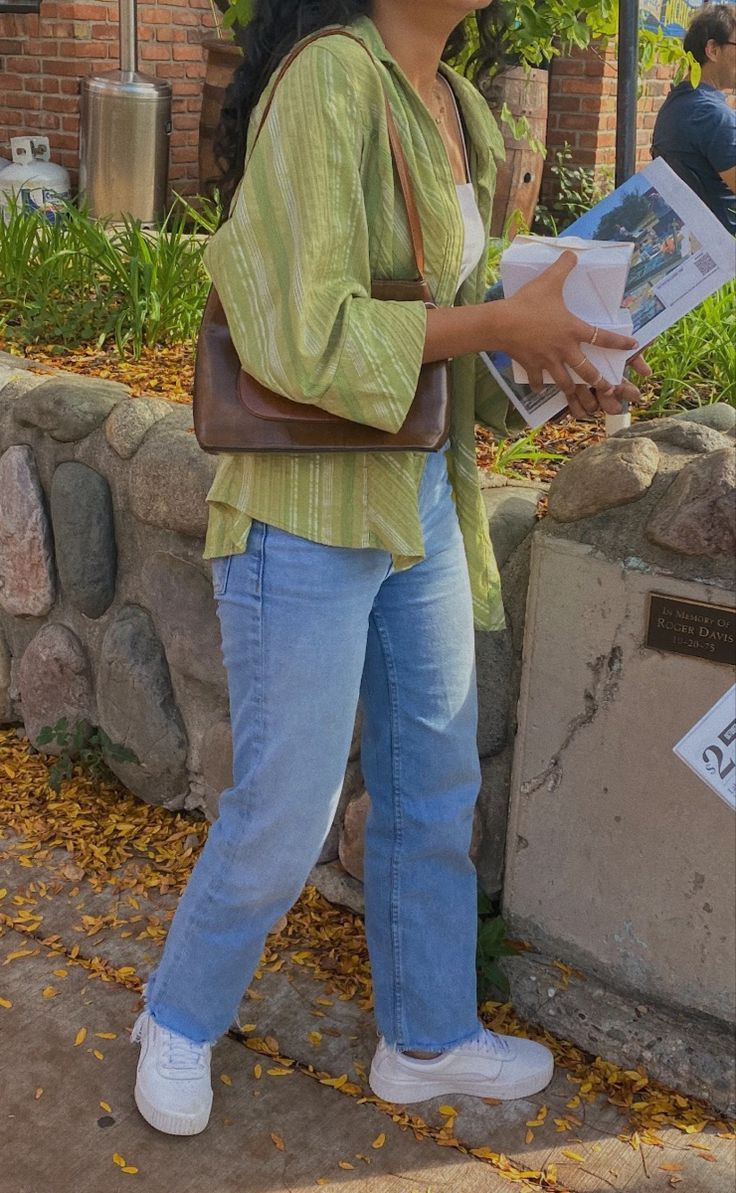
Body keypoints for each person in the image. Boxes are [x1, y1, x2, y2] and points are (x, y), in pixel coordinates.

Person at [130, 0, 648, 1137]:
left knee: (431, 784)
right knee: (285, 804)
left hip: (417, 494)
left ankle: (426, 1036)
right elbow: (305, 330)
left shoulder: (460, 105)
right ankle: (176, 1013)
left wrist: (563, 363)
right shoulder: (329, 79)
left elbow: (450, 351)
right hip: (306, 504)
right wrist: (503, 324)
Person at [652, 3, 736, 234]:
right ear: (713, 50)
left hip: (694, 242)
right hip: (724, 252)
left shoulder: (677, 104)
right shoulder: (713, 116)